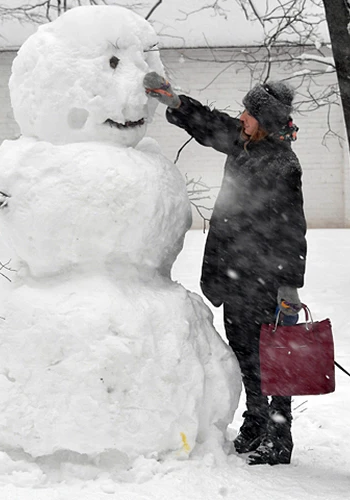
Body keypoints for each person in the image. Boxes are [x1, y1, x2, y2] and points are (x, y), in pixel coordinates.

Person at [144, 72, 308, 466]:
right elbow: (211, 125)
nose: (241, 116)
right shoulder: (245, 142)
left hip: (266, 275)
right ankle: (256, 421)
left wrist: (289, 286)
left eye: (249, 113)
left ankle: (279, 435)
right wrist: (176, 103)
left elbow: (292, 228)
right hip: (235, 272)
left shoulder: (284, 164)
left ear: (264, 122)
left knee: (271, 356)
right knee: (244, 353)